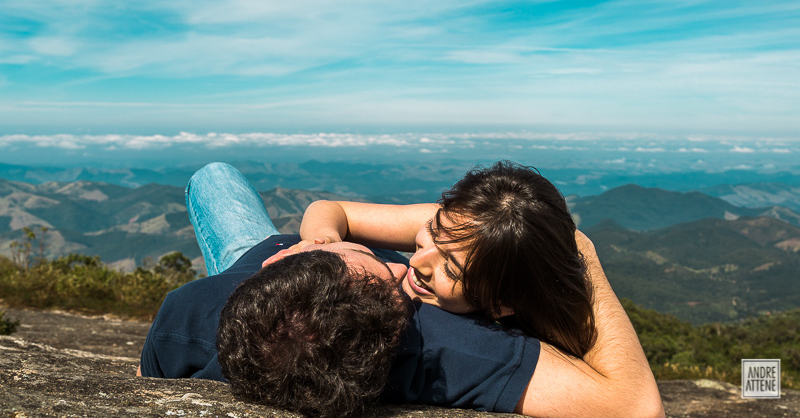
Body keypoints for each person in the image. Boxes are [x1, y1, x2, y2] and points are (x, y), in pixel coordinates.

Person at [138, 162, 664, 418]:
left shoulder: (186, 312)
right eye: (381, 265)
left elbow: (147, 382)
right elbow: (638, 406)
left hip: (242, 261)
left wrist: (320, 244)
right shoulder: (441, 340)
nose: (410, 264)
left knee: (213, 175)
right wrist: (581, 251)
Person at [291, 160, 595, 357]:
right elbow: (330, 209)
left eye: (451, 268)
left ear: (502, 304)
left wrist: (584, 250)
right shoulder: (462, 232)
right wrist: (324, 243)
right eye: (432, 234)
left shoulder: (490, 350)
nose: (415, 263)